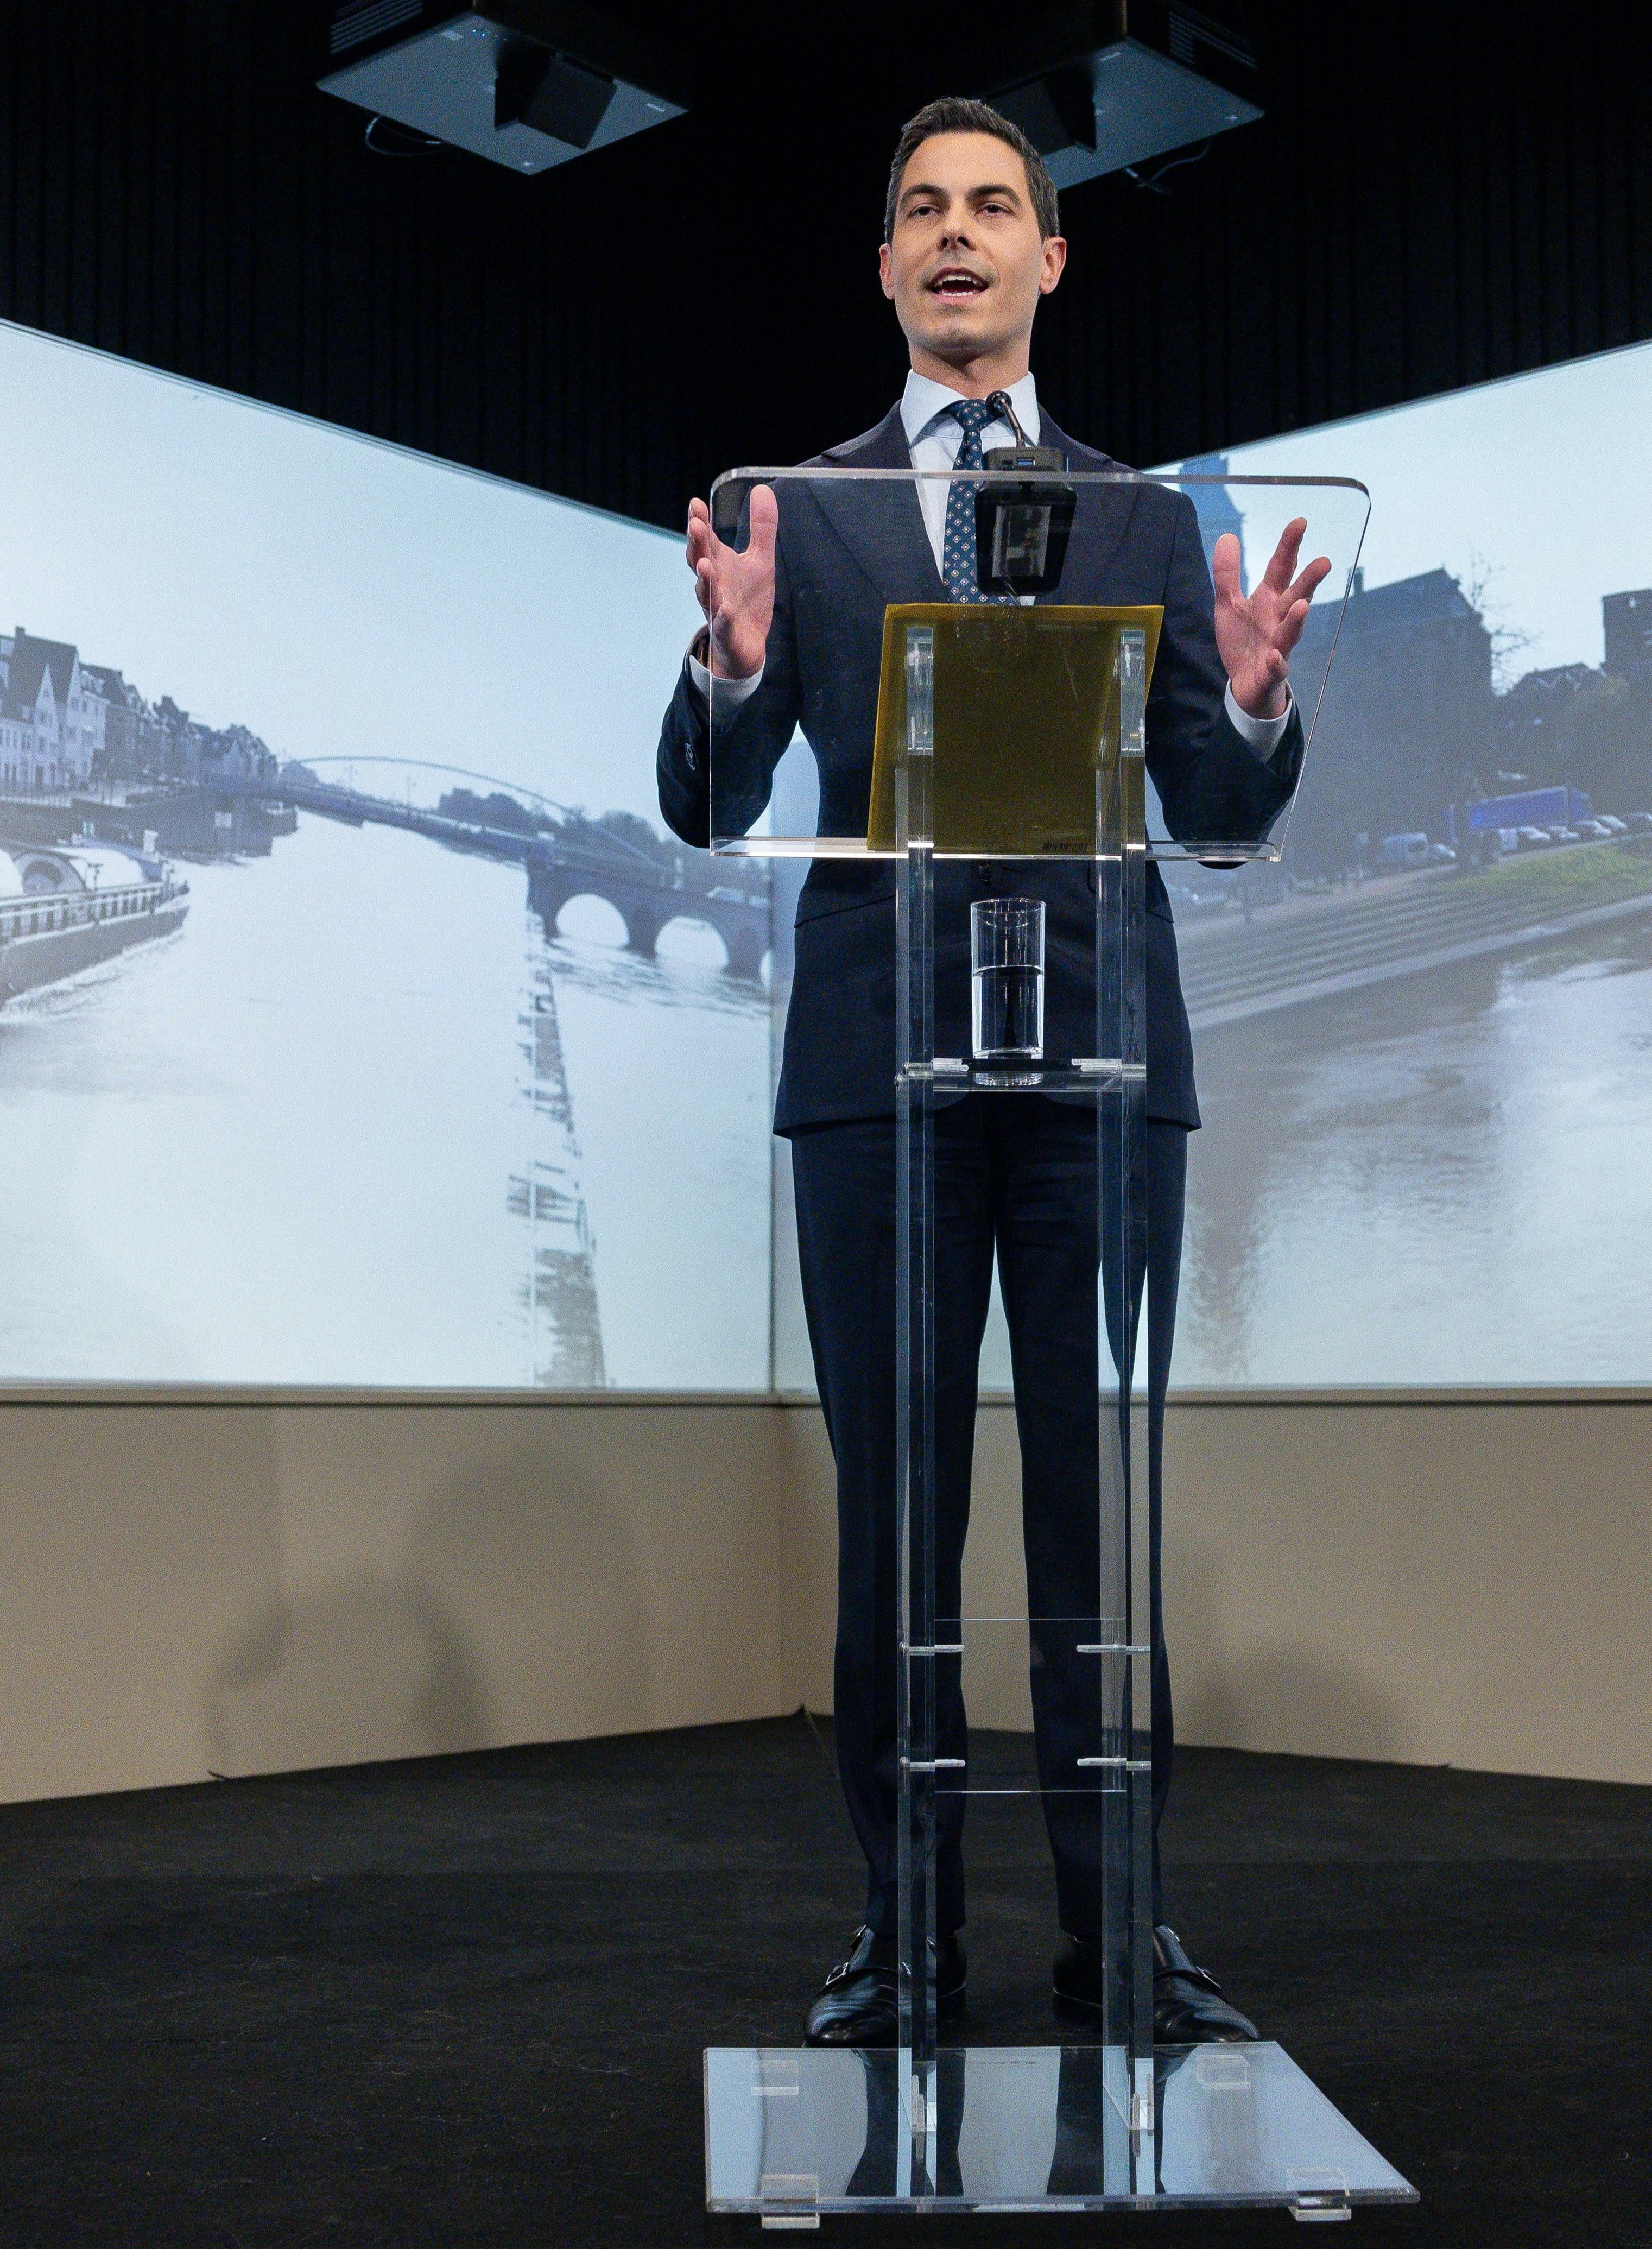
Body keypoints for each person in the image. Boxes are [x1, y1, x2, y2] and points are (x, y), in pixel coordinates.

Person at [657, 98, 1328, 2049]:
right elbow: (709, 808)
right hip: (883, 1072)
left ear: (1053, 259)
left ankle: (1124, 1937)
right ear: (884, 267)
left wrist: (1262, 698)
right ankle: (908, 1933)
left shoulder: (1147, 512)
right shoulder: (804, 503)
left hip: (1103, 1076)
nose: (958, 238)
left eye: (996, 210)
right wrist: (726, 672)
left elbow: (1209, 801)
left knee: (1094, 1517)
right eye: (923, 213)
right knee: (897, 1521)